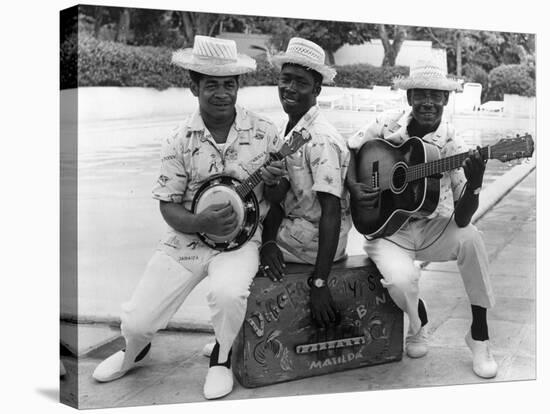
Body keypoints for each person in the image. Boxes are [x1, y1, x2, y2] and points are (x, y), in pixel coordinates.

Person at [91, 35, 285, 400]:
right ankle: (133, 349)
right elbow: (167, 205)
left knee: (228, 294)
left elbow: (276, 198)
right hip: (187, 239)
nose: (222, 93)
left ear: (238, 86)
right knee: (137, 321)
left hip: (241, 241)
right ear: (193, 86)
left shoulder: (265, 132)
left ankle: (221, 357)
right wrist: (199, 223)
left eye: (229, 84)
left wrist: (274, 183)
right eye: (211, 84)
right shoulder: (179, 140)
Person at [346, 56, 498, 378]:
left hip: (431, 228)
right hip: (386, 229)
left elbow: (461, 219)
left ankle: (480, 336)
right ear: (409, 97)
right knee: (401, 280)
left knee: (472, 238)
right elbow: (351, 148)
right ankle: (419, 325)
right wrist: (356, 189)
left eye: (435, 95)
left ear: (445, 99)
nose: (428, 102)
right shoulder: (386, 124)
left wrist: (475, 184)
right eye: (420, 93)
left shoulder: (452, 142)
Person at [260, 37, 352, 327]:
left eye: (300, 82)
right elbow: (280, 198)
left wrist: (320, 282)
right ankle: (237, 335)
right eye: (285, 79)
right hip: (295, 230)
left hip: (314, 241)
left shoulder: (320, 139)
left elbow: (331, 211)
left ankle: (235, 339)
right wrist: (269, 240)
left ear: (317, 89)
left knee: (233, 250)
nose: (289, 88)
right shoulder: (289, 129)